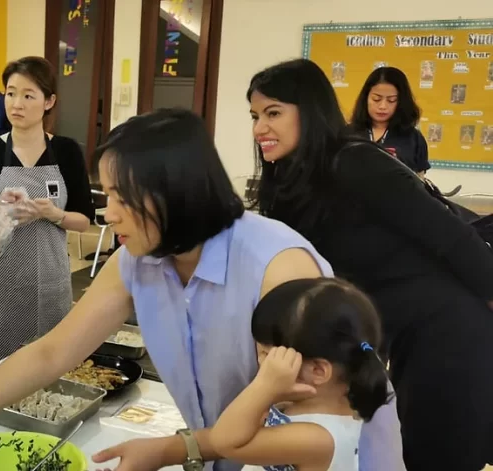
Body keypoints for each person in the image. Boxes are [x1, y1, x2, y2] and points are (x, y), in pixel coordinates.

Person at [0, 109, 405, 471]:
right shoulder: (141, 259)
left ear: (168, 195)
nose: (106, 213)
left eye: (117, 196)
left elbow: (304, 428)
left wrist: (173, 451)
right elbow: (51, 352)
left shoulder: (276, 267)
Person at [247, 58, 493, 470]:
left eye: (273, 113)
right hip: (393, 329)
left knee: (435, 450)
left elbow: (450, 235)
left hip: (448, 328)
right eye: (255, 116)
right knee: (396, 443)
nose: (259, 129)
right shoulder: (290, 182)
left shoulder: (354, 162)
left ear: (308, 111)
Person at [0, 56, 95, 375]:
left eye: (28, 95)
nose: (16, 104)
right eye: (10, 93)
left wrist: (54, 214)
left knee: (46, 377)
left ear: (49, 101)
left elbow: (84, 220)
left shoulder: (67, 151)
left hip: (50, 285)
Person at [211, 278, 392, 471]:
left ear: (317, 371)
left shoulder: (316, 437)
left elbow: (223, 442)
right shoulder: (302, 404)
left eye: (267, 353)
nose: (260, 360)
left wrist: (263, 387)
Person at [348, 66, 429, 175]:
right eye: (376, 99)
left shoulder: (413, 138)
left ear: (401, 102)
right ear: (365, 98)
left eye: (391, 100)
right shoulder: (347, 134)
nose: (382, 106)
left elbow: (419, 182)